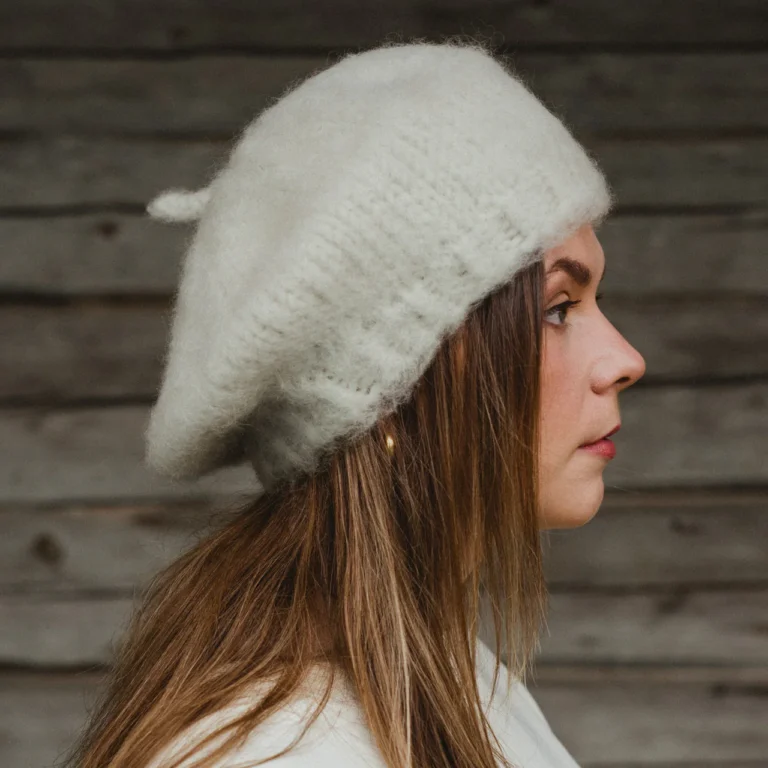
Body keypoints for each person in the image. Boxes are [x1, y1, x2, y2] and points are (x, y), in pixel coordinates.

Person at [59, 37, 645, 768]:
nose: (626, 360)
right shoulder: (283, 751)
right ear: (401, 385)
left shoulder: (466, 681)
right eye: (560, 307)